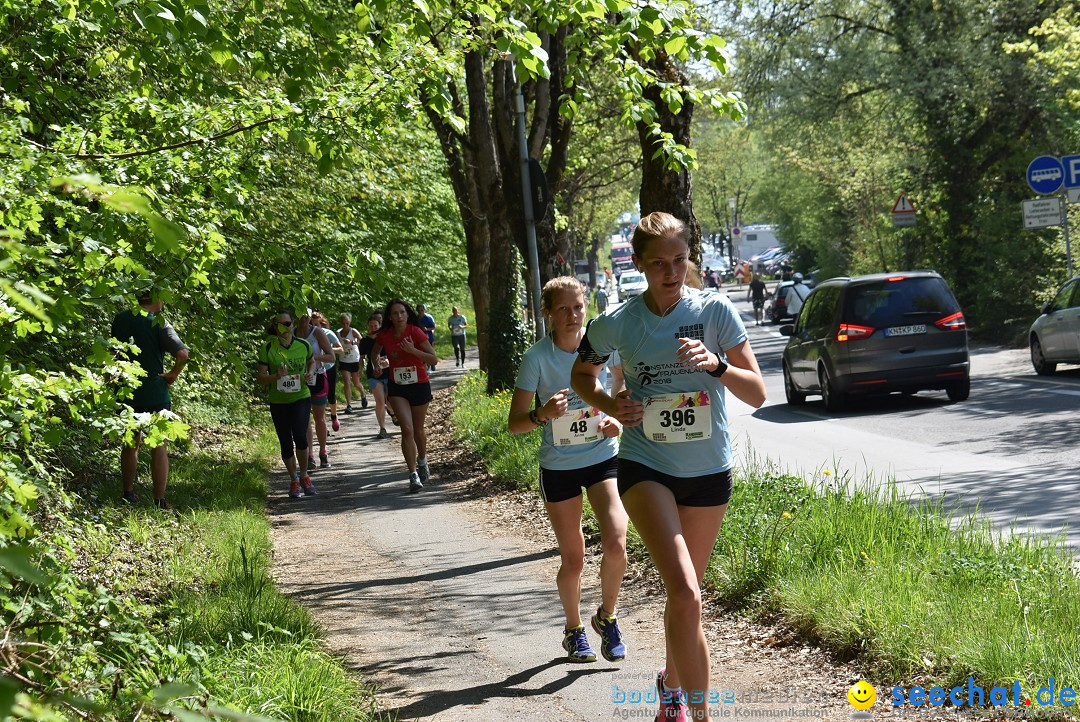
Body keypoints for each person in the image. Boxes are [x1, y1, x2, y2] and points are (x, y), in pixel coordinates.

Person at [570, 212, 766, 722]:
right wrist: (612, 406)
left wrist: (716, 365)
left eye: (679, 260)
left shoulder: (717, 311)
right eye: (657, 263)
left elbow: (759, 394)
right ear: (637, 264)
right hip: (644, 465)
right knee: (683, 589)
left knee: (688, 600)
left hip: (708, 470)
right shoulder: (619, 321)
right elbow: (582, 374)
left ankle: (670, 688)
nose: (670, 271)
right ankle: (700, 716)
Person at [508, 277, 629, 664]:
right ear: (548, 313)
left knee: (615, 543)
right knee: (574, 557)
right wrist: (542, 414)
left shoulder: (604, 349)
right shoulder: (537, 358)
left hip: (602, 455)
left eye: (578, 307)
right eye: (563, 308)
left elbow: (624, 395)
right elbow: (515, 423)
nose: (573, 315)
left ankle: (606, 619)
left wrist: (620, 422)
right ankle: (574, 630)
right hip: (559, 466)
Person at [112, 291, 190, 510]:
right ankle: (159, 500)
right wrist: (173, 374)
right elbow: (183, 354)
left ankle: (127, 493)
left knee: (130, 444)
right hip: (155, 393)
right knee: (159, 446)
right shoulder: (159, 322)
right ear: (158, 300)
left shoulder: (121, 319)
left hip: (127, 391)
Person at [369, 299, 438, 492]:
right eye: (395, 313)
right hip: (398, 386)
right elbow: (375, 352)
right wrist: (376, 365)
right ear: (389, 317)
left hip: (419, 385)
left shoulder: (415, 332)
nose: (399, 316)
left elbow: (433, 359)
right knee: (406, 429)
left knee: (418, 430)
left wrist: (412, 350)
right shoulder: (385, 335)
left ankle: (422, 460)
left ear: (407, 314)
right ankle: (413, 474)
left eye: (402, 312)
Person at [256, 309, 316, 498]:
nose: (284, 328)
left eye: (287, 324)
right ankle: (293, 479)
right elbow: (261, 378)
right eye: (279, 324)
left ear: (293, 324)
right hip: (279, 401)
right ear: (274, 326)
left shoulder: (303, 345)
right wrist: (275, 376)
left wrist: (310, 372)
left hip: (301, 397)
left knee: (300, 435)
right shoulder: (268, 347)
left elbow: (312, 362)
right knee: (285, 442)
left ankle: (305, 475)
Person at [297, 310, 336, 473]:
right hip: (299, 380)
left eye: (307, 317)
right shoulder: (291, 334)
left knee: (319, 417)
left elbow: (331, 357)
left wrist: (313, 359)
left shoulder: (317, 332)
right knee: (304, 419)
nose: (304, 320)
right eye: (301, 317)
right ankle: (310, 455)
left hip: (318, 378)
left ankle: (323, 451)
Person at [356, 311, 395, 438]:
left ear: (380, 325)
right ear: (368, 327)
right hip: (373, 374)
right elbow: (362, 358)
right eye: (371, 326)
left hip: (388, 372)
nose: (373, 328)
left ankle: (393, 413)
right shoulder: (364, 341)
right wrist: (359, 370)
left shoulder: (386, 337)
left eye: (375, 326)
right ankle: (382, 428)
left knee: (390, 400)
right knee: (379, 401)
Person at [313, 312, 344, 432]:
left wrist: (327, 349)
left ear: (322, 323)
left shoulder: (328, 333)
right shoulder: (308, 335)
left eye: (317, 324)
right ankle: (323, 425)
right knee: (319, 398)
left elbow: (340, 349)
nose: (315, 327)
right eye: (313, 324)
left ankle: (334, 416)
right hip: (316, 369)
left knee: (331, 395)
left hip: (329, 367)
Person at [337, 312, 368, 415]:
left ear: (349, 323)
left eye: (347, 323)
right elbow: (335, 344)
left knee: (356, 383)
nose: (345, 325)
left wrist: (352, 342)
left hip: (354, 359)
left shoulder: (353, 331)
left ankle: (363, 394)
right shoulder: (338, 333)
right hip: (344, 360)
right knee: (346, 381)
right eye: (343, 323)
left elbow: (362, 341)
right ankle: (349, 405)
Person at [416, 303, 437, 372]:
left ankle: (432, 364)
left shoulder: (428, 318)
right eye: (419, 310)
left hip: (428, 337)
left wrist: (427, 329)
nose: (420, 311)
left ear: (424, 310)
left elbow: (433, 327)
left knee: (430, 351)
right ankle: (428, 367)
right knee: (423, 352)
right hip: (419, 338)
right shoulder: (416, 318)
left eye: (422, 310)